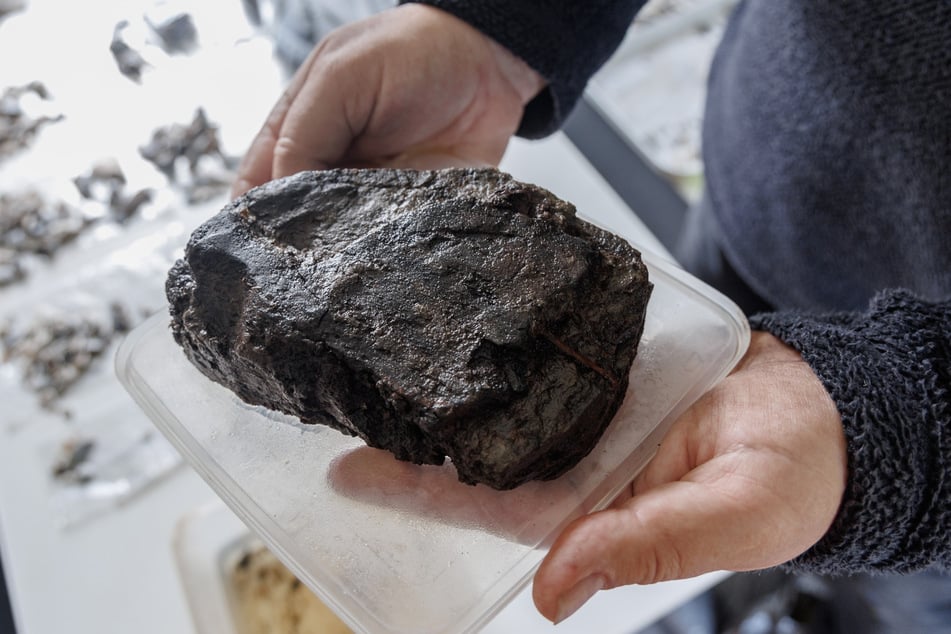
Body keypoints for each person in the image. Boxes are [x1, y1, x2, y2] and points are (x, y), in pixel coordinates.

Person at [232, 1, 951, 631]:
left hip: (919, 433)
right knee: (695, 412)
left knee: (891, 592)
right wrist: (504, 24)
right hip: (770, 184)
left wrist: (909, 431)